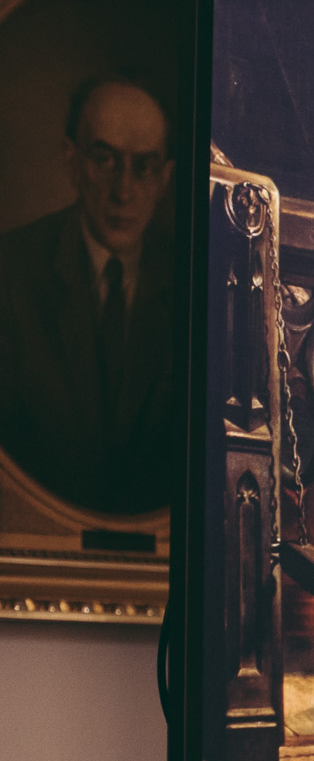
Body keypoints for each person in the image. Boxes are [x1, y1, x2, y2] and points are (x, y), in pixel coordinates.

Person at [0, 75, 179, 518]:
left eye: (144, 167)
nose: (124, 191)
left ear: (165, 178)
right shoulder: (12, 272)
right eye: (104, 160)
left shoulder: (192, 280)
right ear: (72, 161)